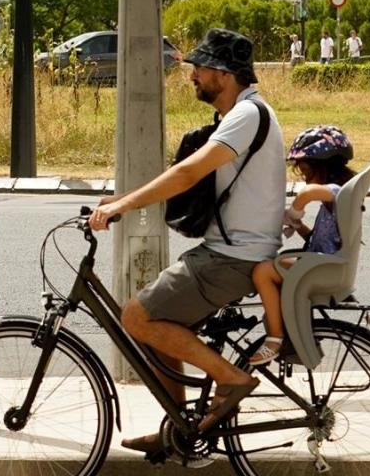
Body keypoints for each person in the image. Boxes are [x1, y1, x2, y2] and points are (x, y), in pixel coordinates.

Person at [90, 28, 286, 452]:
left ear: (224, 74)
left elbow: (187, 173)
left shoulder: (246, 116)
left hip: (231, 257)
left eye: (200, 69)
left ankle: (231, 379)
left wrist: (121, 209)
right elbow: (188, 178)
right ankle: (179, 429)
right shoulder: (246, 113)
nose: (193, 76)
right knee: (162, 327)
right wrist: (126, 197)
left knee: (137, 317)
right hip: (233, 250)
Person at [247, 126, 354, 367]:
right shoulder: (340, 194)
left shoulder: (337, 192)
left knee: (262, 271)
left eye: (306, 170)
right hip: (323, 263)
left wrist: (295, 210)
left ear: (324, 165)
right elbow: (326, 239)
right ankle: (288, 335)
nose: (304, 178)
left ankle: (275, 339)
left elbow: (307, 193)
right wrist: (300, 227)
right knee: (275, 266)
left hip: (321, 268)